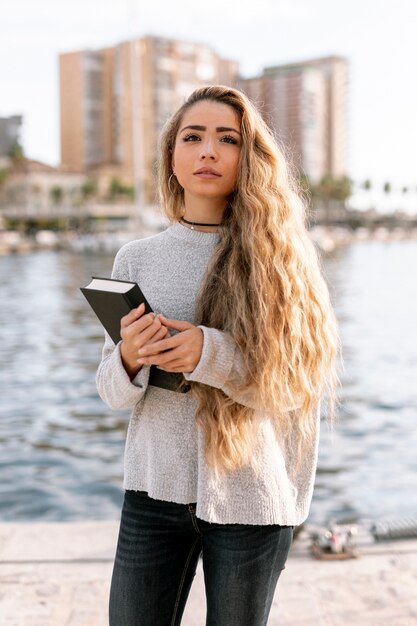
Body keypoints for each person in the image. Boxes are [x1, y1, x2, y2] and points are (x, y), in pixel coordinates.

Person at [96, 85, 339, 626]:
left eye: (227, 139)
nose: (208, 150)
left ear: (248, 156)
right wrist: (131, 358)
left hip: (251, 496)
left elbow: (294, 383)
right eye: (193, 137)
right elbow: (111, 392)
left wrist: (208, 351)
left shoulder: (281, 258)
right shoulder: (136, 258)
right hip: (153, 492)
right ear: (172, 157)